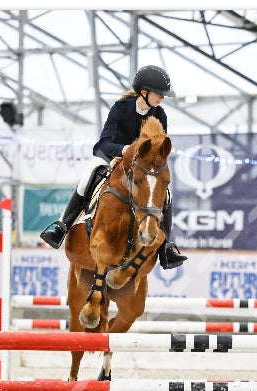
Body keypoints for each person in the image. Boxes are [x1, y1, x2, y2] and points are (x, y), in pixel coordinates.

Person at [40, 65, 187, 269]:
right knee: (86, 181)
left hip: (140, 167)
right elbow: (102, 143)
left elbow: (158, 148)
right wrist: (123, 149)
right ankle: (62, 226)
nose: (162, 97)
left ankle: (166, 247)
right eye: (159, 93)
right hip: (111, 158)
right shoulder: (121, 108)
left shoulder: (160, 115)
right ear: (144, 92)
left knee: (167, 195)